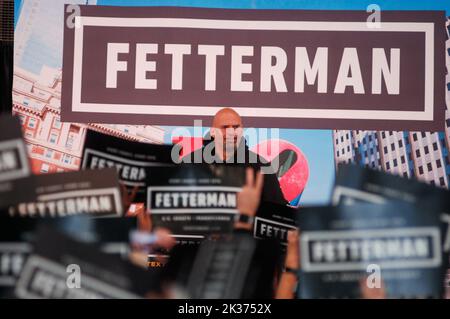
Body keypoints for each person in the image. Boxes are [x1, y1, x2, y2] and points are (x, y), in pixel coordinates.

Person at [181, 107, 287, 205]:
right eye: (225, 127)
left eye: (236, 127)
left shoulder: (261, 166)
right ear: (212, 132)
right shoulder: (191, 162)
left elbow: (279, 212)